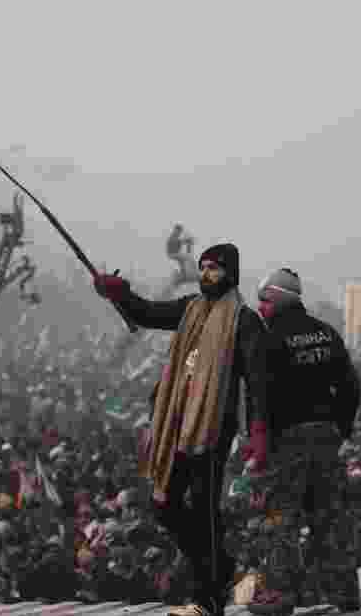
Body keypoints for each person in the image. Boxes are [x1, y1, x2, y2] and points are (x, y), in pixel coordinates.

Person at [94, 243, 267, 616]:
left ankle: (207, 601)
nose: (206, 274)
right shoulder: (189, 307)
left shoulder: (244, 321)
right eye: (202, 267)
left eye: (214, 268)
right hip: (177, 426)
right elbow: (146, 313)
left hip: (212, 429)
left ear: (230, 273)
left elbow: (256, 381)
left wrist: (257, 431)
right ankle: (220, 566)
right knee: (165, 505)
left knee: (204, 511)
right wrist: (120, 294)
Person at [245, 268, 361, 615]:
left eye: (264, 300)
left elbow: (260, 396)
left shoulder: (269, 339)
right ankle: (345, 595)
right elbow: (351, 388)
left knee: (280, 516)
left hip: (288, 441)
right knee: (331, 518)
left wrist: (260, 440)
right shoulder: (327, 334)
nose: (261, 307)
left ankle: (279, 594)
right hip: (327, 437)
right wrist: (339, 428)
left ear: (278, 298)